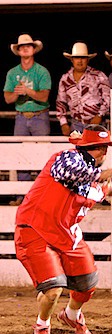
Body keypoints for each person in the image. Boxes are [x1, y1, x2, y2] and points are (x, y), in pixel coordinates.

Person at [14, 124, 112, 334]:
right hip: (36, 230)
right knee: (53, 290)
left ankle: (72, 315)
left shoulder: (93, 181)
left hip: (67, 234)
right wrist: (106, 175)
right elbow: (71, 173)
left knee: (87, 283)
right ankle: (42, 326)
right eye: (97, 147)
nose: (103, 152)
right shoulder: (66, 158)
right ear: (85, 147)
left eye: (105, 147)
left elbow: (100, 188)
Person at [3, 34, 52, 206]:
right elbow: (8, 99)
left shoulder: (41, 71)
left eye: (28, 46)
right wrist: (17, 93)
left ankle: (41, 196)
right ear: (18, 51)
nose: (25, 48)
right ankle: (22, 197)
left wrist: (27, 91)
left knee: (42, 155)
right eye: (22, 46)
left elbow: (44, 97)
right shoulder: (12, 73)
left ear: (33, 50)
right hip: (21, 118)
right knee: (20, 155)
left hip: (40, 116)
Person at [56, 42, 110, 135]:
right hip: (76, 123)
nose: (80, 61)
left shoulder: (98, 76)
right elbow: (61, 102)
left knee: (97, 148)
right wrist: (63, 123)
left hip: (96, 122)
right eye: (77, 58)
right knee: (77, 149)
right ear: (72, 60)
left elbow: (108, 98)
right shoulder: (65, 79)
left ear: (88, 59)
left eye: (83, 58)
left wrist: (99, 115)